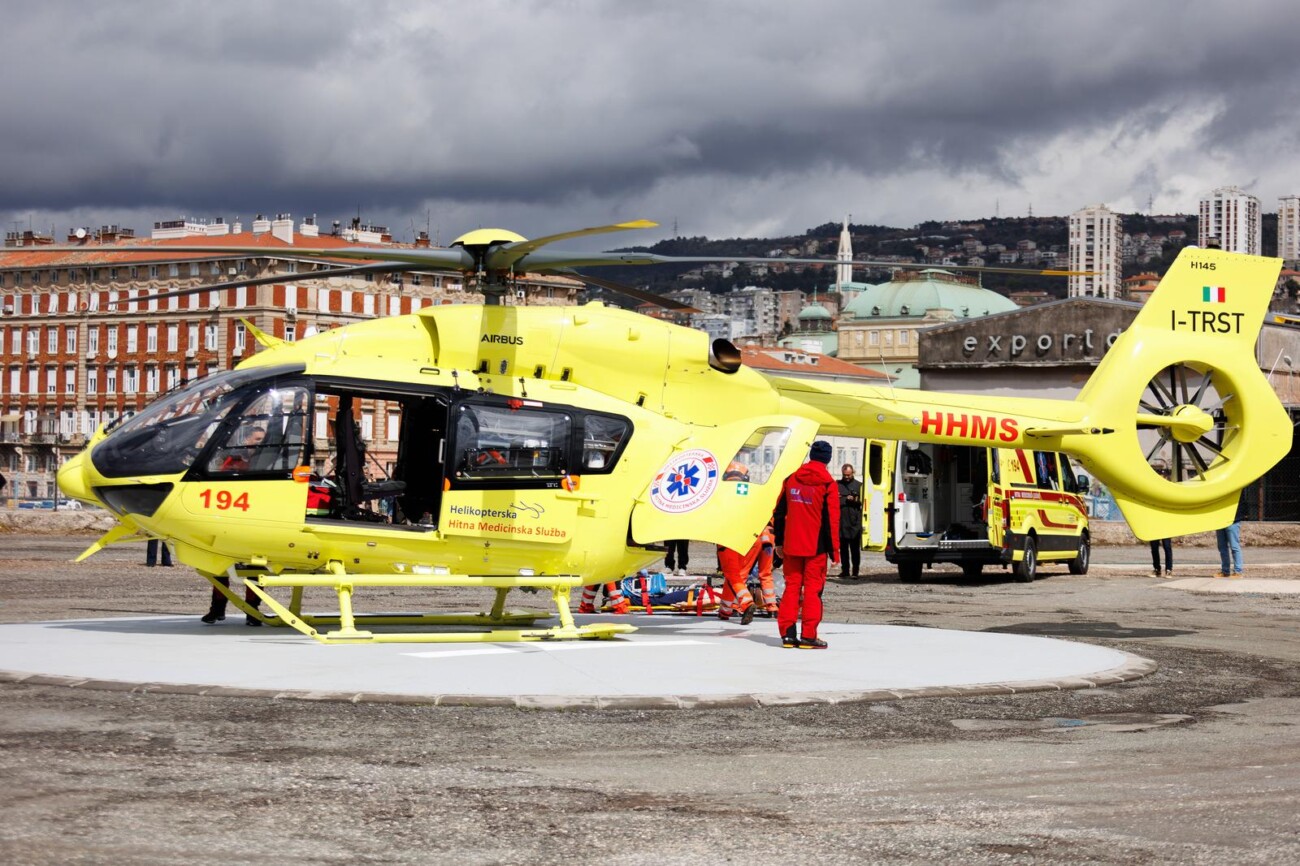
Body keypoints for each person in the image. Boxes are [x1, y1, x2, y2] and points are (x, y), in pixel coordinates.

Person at [773, 440, 840, 649]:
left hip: (792, 545)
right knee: (813, 591)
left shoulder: (791, 479)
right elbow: (832, 521)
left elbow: (779, 512)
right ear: (828, 459)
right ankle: (809, 637)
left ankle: (788, 635)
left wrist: (779, 543)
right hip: (815, 548)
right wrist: (834, 552)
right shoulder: (828, 484)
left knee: (791, 589)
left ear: (811, 455)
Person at [836, 463, 863, 578]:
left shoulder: (859, 485)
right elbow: (834, 499)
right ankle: (845, 570)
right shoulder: (837, 485)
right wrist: (844, 499)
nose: (846, 477)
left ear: (853, 473)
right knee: (843, 549)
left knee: (854, 549)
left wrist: (854, 499)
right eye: (844, 475)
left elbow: (863, 501)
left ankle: (855, 571)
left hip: (854, 522)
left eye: (848, 475)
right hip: (842, 521)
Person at [1214, 495, 1247, 578]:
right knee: (1222, 546)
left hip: (1233, 520)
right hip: (1220, 519)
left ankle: (1238, 571)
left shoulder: (1235, 487)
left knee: (1234, 546)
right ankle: (1225, 571)